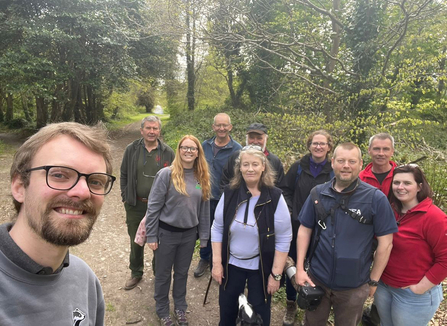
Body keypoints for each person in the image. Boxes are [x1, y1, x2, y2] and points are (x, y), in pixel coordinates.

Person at [0, 122, 115, 325]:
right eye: (59, 175)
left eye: (95, 181)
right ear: (19, 187)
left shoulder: (85, 279)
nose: (82, 191)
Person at [295, 142, 398, 326]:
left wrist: (373, 281)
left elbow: (386, 243)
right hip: (317, 279)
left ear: (360, 164)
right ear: (333, 162)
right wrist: (301, 268)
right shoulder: (318, 193)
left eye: (352, 161)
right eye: (341, 160)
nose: (346, 166)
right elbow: (305, 229)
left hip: (354, 285)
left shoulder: (375, 198)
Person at [211, 145, 292, 326]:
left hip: (260, 267)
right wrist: (217, 264)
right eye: (245, 164)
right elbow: (217, 227)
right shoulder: (230, 193)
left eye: (255, 164)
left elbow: (284, 237)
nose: (250, 169)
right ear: (239, 168)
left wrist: (276, 275)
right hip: (231, 264)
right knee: (227, 312)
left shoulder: (276, 197)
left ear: (263, 166)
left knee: (260, 314)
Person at [145, 135, 211, 326]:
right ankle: (163, 310)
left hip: (189, 235)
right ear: (179, 149)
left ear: (198, 152)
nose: (189, 151)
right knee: (163, 274)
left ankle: (180, 308)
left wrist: (204, 236)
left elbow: (204, 210)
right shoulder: (167, 174)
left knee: (182, 273)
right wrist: (151, 234)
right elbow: (153, 206)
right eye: (185, 147)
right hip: (166, 234)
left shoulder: (201, 178)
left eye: (193, 148)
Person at [374, 164, 447, 326]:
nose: (400, 187)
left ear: (419, 187)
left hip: (413, 294)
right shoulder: (389, 210)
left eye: (407, 183)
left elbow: (445, 259)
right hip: (384, 286)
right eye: (396, 182)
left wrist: (420, 287)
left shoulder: (434, 217)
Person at [278, 130, 334, 326]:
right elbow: (285, 191)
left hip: (324, 230)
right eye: (314, 143)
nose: (318, 147)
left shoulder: (334, 169)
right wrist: (293, 212)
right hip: (297, 227)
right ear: (309, 146)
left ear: (329, 147)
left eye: (322, 143)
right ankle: (291, 304)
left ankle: (314, 308)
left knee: (317, 266)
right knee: (294, 266)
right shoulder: (298, 168)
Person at [120, 116, 175, 290]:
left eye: (155, 128)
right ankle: (136, 272)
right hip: (136, 204)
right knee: (136, 241)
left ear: (159, 131)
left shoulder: (168, 152)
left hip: (160, 207)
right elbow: (123, 174)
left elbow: (176, 177)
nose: (152, 132)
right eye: (148, 128)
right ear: (142, 130)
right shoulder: (131, 149)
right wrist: (124, 195)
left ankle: (159, 274)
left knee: (158, 240)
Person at [194, 113, 241, 278]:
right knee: (204, 230)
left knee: (223, 232)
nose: (221, 128)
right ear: (213, 127)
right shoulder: (204, 146)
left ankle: (220, 263)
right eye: (218, 125)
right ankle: (205, 259)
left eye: (225, 125)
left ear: (230, 127)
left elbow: (238, 177)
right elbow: (196, 170)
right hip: (205, 198)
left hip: (225, 199)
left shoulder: (238, 149)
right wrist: (197, 189)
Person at [359, 133, 397, 326]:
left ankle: (378, 315)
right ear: (369, 151)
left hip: (395, 238)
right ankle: (361, 313)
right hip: (365, 237)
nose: (381, 153)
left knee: (387, 277)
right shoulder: (359, 177)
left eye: (385, 149)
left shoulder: (402, 176)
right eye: (377, 149)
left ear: (392, 151)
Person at [220, 122, 284, 189]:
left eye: (259, 138)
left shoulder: (274, 161)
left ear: (266, 139)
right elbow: (224, 182)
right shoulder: (236, 157)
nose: (255, 142)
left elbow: (281, 188)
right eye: (251, 138)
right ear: (246, 138)